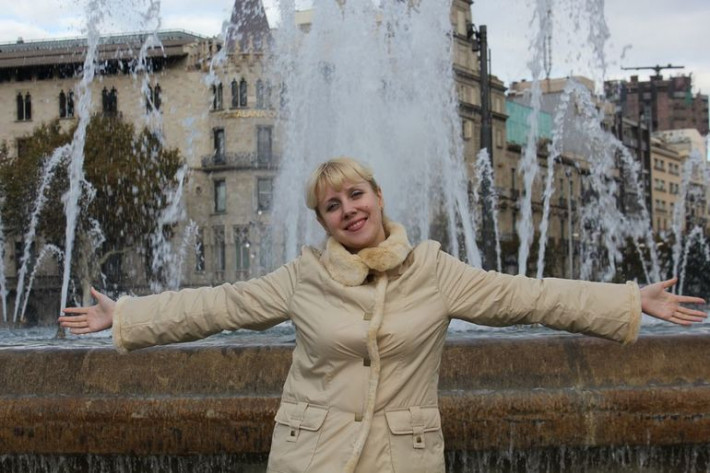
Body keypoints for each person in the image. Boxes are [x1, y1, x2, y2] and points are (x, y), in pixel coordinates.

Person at [60, 157, 706, 473]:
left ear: (378, 196)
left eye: (355, 194)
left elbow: (528, 296)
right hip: (311, 457)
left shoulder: (434, 269)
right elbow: (218, 305)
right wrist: (129, 315)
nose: (348, 209)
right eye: (332, 205)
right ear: (323, 222)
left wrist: (629, 300)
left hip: (401, 458)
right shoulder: (304, 276)